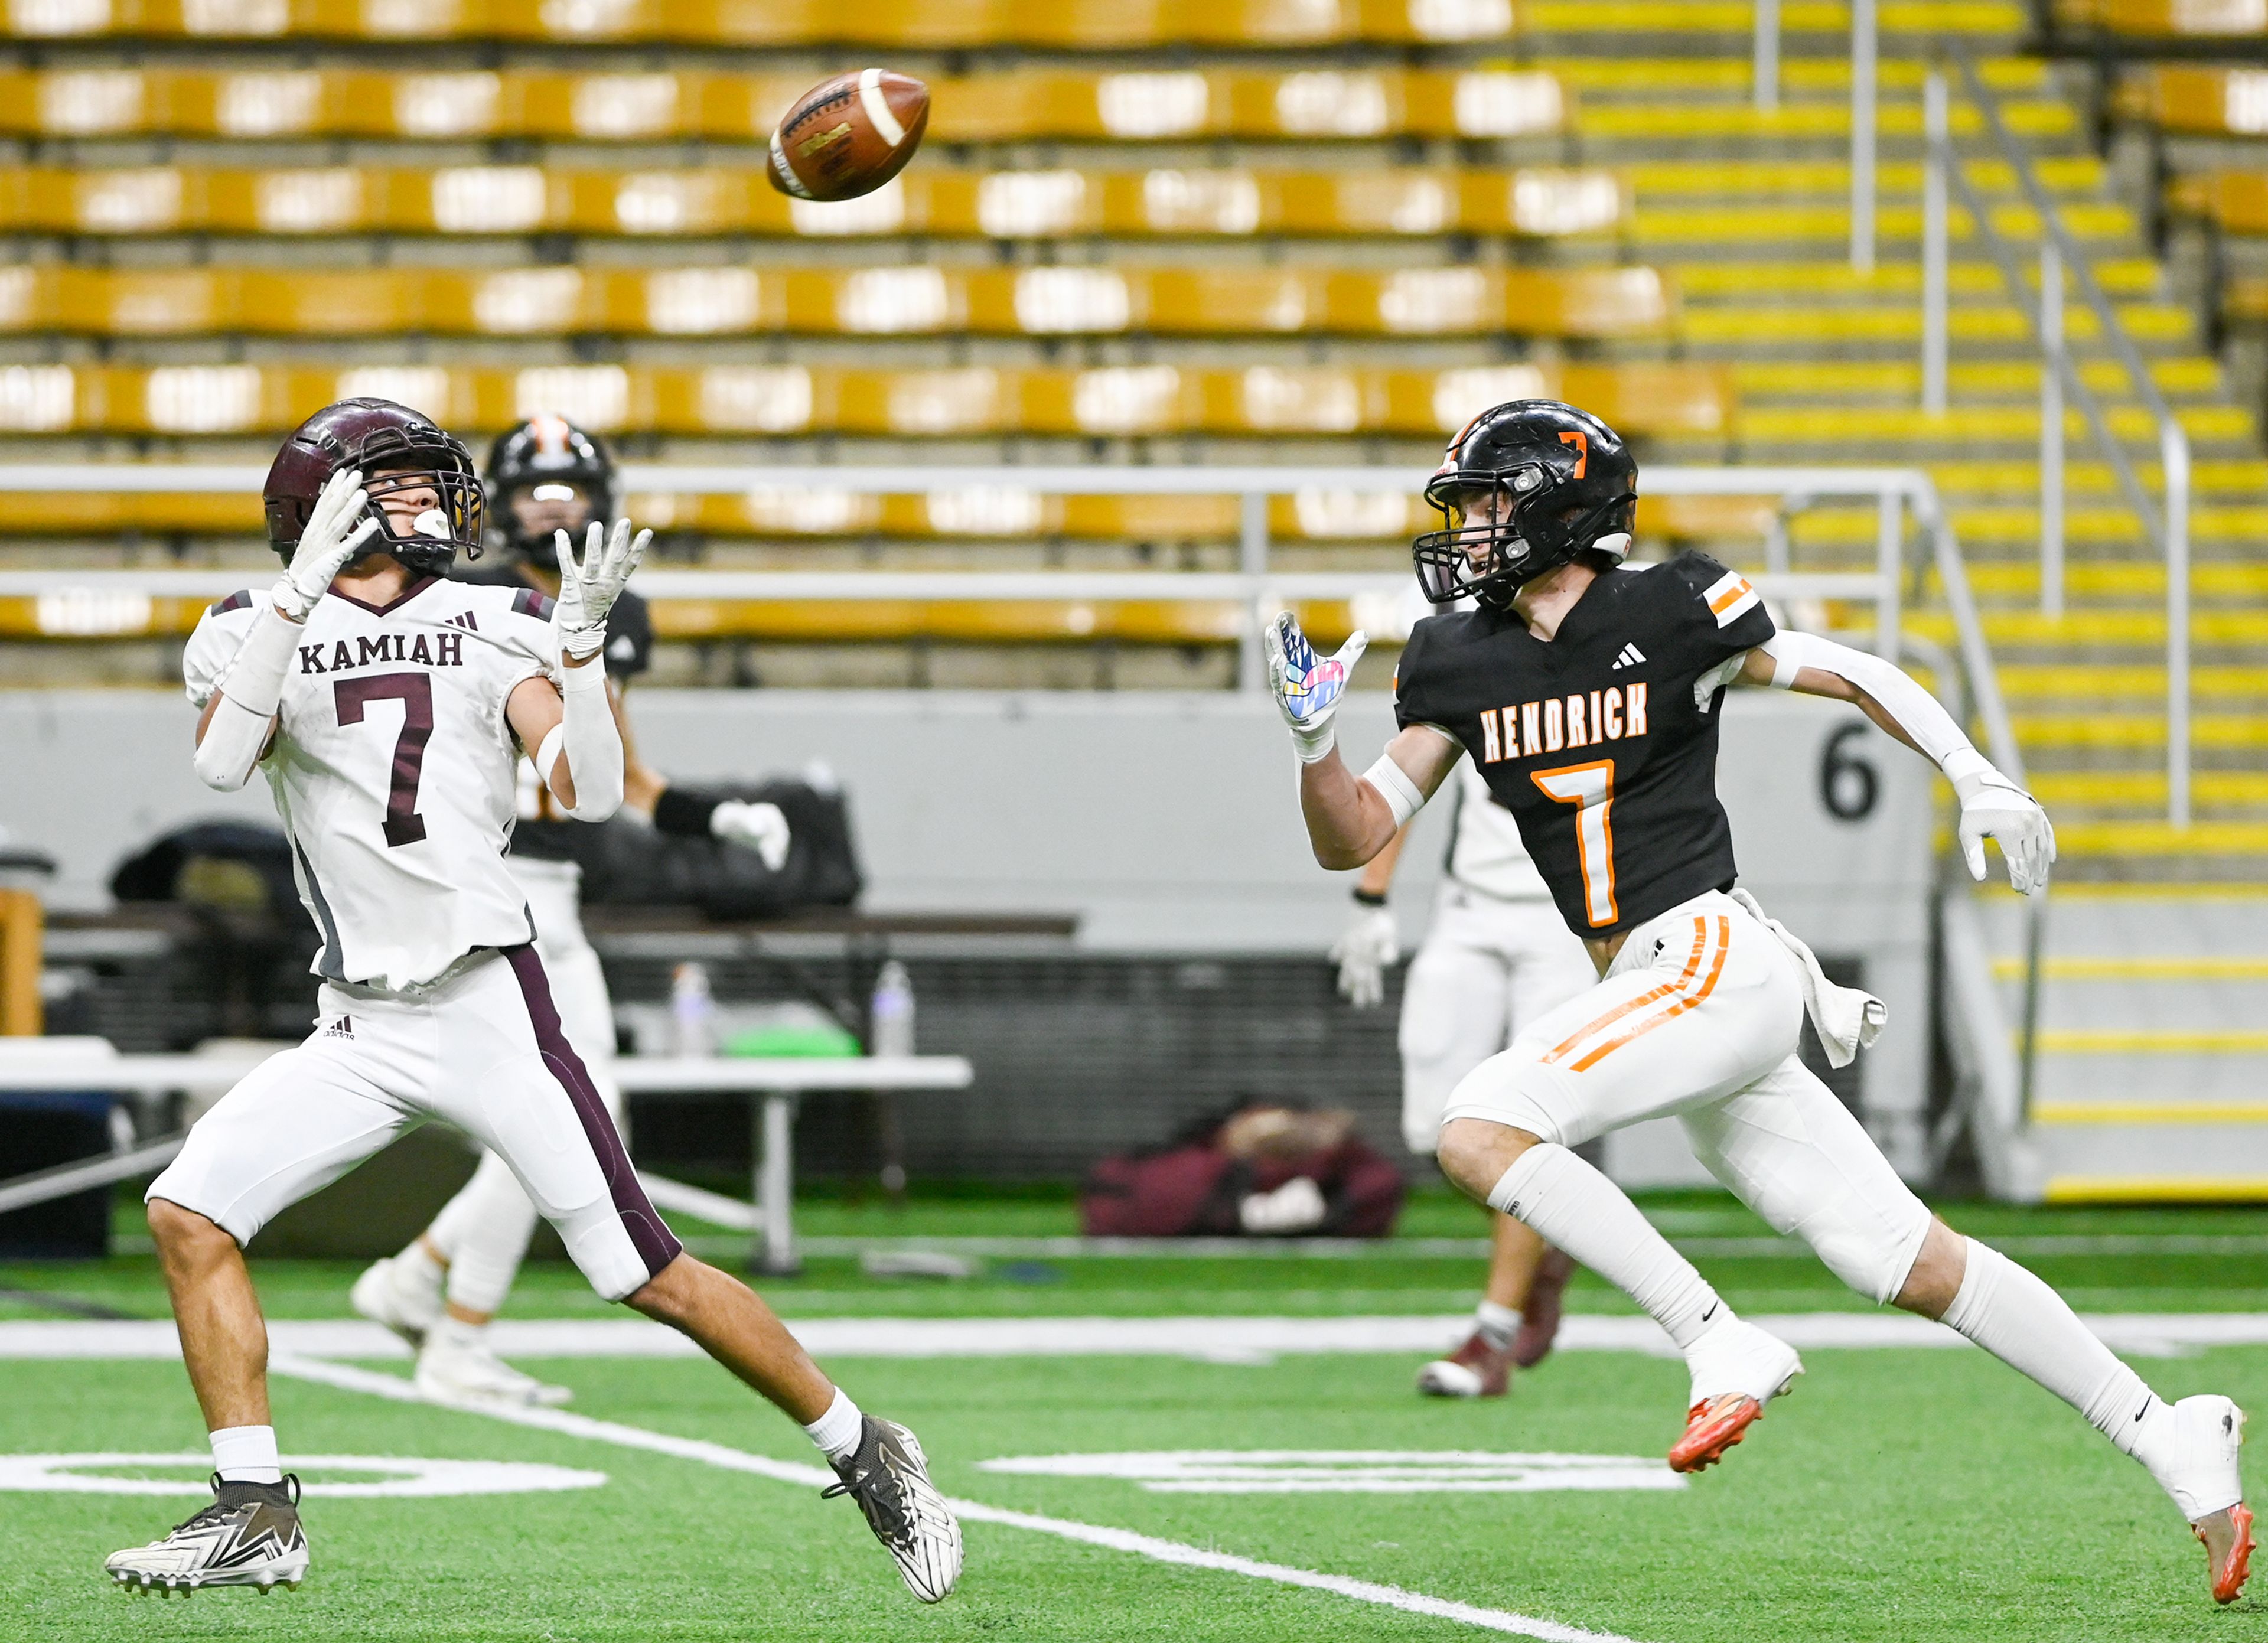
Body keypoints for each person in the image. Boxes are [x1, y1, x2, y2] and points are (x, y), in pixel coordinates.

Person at [1264, 398, 2251, 1605]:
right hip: (1654, 980)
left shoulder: (1672, 607)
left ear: (1562, 507)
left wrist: (1977, 774)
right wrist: (1314, 743)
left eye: (1490, 500)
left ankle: (1713, 1332)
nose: (1470, 527)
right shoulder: (1456, 653)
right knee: (1904, 1255)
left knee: (1482, 1125)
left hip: (1709, 952)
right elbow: (1355, 832)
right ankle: (2171, 1432)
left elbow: (1853, 670)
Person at [103, 400, 959, 1605]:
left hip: (487, 1005)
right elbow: (219, 761)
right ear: (320, 506)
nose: (429, 506)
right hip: (356, 1021)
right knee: (190, 1211)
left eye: (425, 486)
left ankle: (866, 1445)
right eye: (397, 486)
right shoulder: (249, 625)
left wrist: (583, 656)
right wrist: (295, 600)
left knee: (642, 1270)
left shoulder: (496, 617)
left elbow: (589, 792)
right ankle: (254, 1508)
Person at [350, 415, 791, 1409]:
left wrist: (715, 813)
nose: (554, 507)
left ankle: (418, 1280)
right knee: (568, 1115)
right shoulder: (451, 599)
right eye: (535, 489)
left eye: (571, 490)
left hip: (553, 889)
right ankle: (455, 1333)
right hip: (483, 882)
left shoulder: (610, 607)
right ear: (493, 498)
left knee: (578, 1113)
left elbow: (617, 770)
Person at [1331, 751, 1597, 1398]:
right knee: (1436, 1129)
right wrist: (1371, 894)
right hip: (1469, 905)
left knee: (1524, 1130)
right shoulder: (1472, 653)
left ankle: (1494, 1336)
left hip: (1572, 913)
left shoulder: (1624, 659)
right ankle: (1543, 1241)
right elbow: (1407, 775)